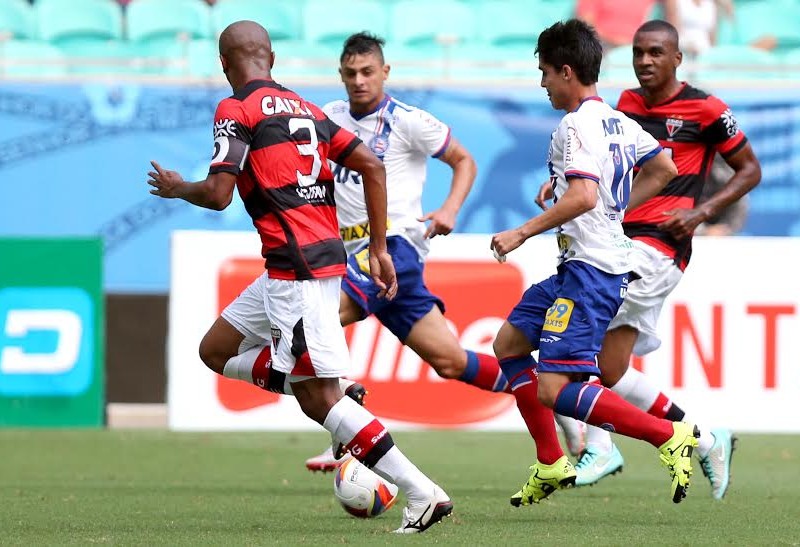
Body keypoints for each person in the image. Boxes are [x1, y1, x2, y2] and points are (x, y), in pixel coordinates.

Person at [146, 20, 452, 534]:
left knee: (319, 401)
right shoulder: (307, 110)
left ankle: (424, 494)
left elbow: (220, 194)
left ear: (225, 65)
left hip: (299, 271)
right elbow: (374, 167)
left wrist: (179, 188)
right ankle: (334, 386)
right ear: (271, 57)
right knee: (215, 350)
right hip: (293, 267)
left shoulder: (235, 109)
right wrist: (377, 249)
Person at [490, 18, 698, 507]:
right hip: (583, 266)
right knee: (509, 344)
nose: (541, 83)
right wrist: (613, 206)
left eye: (544, 72)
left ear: (566, 71)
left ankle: (667, 435)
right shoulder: (618, 120)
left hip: (591, 273)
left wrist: (521, 231)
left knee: (555, 389)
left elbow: (583, 196)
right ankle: (550, 460)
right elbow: (665, 167)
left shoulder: (575, 124)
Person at [559, 19, 761, 499]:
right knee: (609, 369)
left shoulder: (707, 109)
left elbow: (749, 169)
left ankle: (600, 447)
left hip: (660, 246)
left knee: (574, 327)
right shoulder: (625, 104)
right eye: (638, 53)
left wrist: (702, 213)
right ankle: (707, 439)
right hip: (621, 239)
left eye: (655, 53)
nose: (645, 61)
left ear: (676, 58)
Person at [303, 31, 514, 472]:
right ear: (340, 76)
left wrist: (450, 209)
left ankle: (345, 422)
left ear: (385, 72)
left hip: (394, 247)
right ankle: (540, 390)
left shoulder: (408, 121)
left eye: (367, 72)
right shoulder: (327, 119)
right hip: (344, 250)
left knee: (317, 317)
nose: (359, 81)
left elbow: (464, 160)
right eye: (350, 74)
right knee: (450, 360)